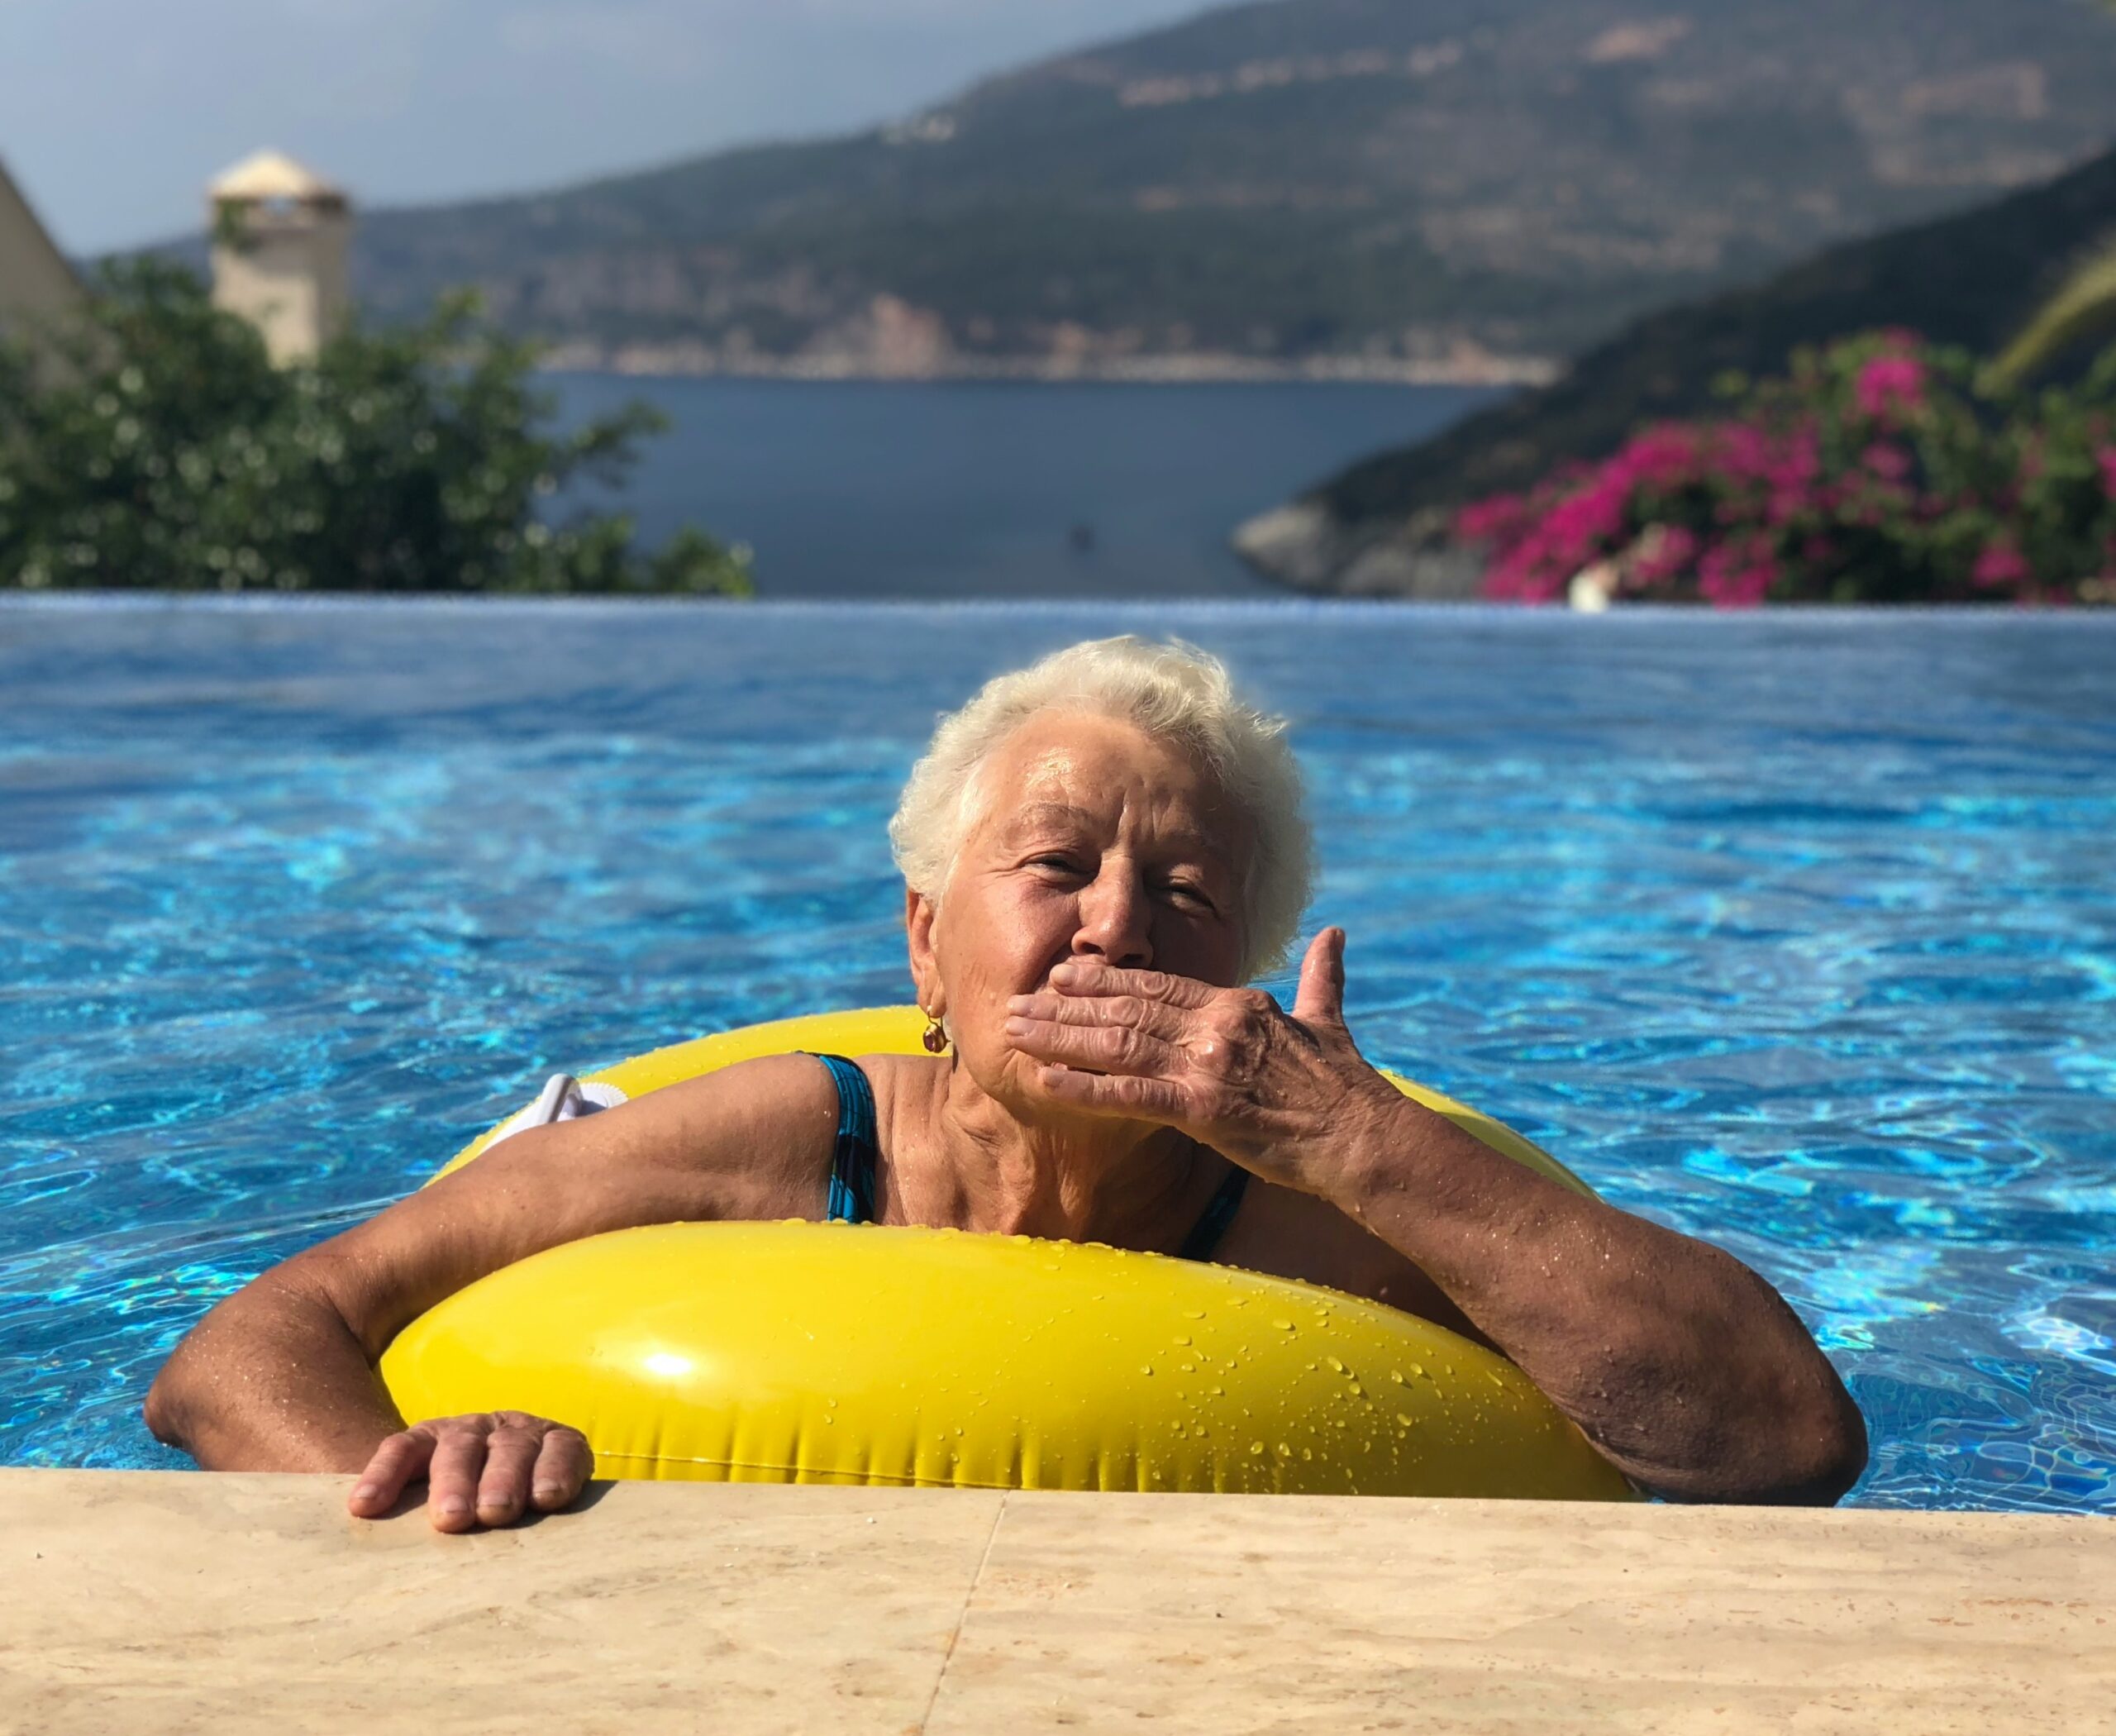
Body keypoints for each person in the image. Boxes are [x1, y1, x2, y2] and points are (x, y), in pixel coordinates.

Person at [145, 637, 1866, 1527]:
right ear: (924, 944)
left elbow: (1787, 1441)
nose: (1113, 926)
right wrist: (406, 1477)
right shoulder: (789, 1139)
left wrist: (1363, 1141)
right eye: (1053, 865)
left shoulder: (1313, 1215)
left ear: (1243, 972)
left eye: (1186, 893)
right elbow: (240, 1347)